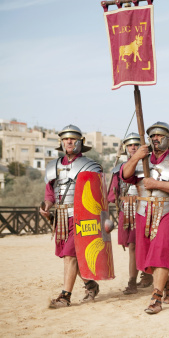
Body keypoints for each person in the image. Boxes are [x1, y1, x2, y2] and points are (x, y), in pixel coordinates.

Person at [121, 121, 169, 314]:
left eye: (160, 135)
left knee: (161, 252)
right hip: (144, 210)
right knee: (145, 259)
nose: (155, 139)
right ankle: (168, 286)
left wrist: (156, 184)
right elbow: (125, 175)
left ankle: (156, 296)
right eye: (152, 136)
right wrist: (136, 156)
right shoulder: (142, 160)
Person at [40, 125, 102, 308]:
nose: (69, 141)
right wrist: (46, 206)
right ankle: (90, 284)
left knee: (70, 255)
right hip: (61, 217)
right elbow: (50, 194)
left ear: (80, 142)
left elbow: (98, 195)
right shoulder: (54, 167)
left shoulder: (90, 166)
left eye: (73, 138)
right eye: (66, 138)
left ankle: (65, 296)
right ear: (61, 142)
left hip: (82, 217)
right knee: (67, 255)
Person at [108, 133, 143, 294]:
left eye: (136, 144)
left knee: (144, 245)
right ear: (126, 148)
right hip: (126, 210)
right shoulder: (118, 169)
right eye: (130, 145)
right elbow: (112, 194)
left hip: (144, 208)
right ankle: (132, 281)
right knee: (132, 246)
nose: (133, 147)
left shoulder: (146, 167)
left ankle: (146, 275)